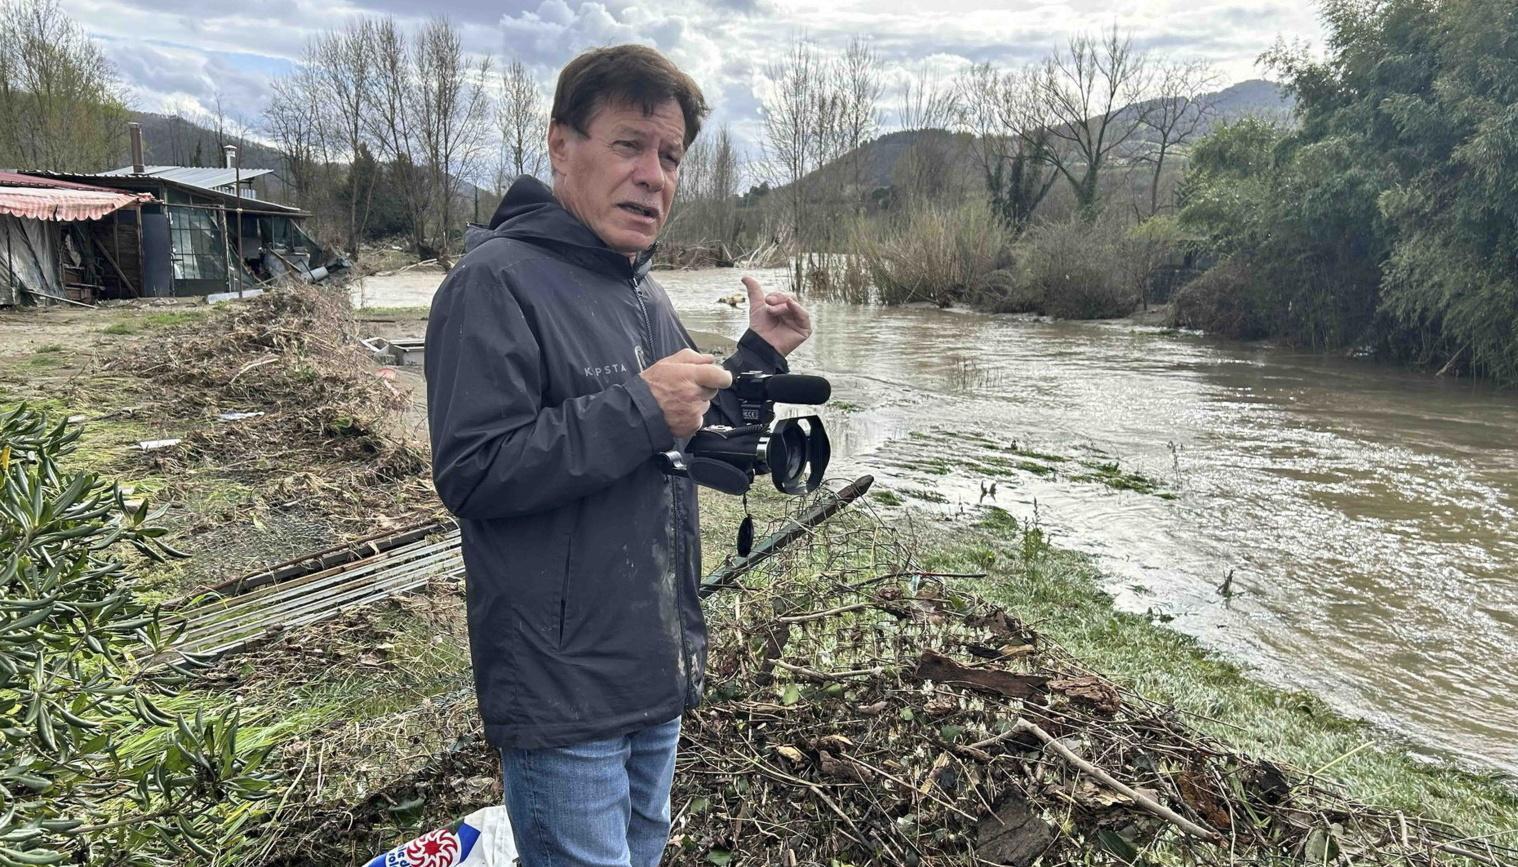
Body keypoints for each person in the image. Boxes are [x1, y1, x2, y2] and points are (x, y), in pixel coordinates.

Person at [423, 45, 812, 866]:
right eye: (629, 145)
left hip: (653, 668)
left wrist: (758, 355)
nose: (653, 175)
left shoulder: (645, 291)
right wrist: (641, 407)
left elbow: (691, 425)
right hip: (563, 693)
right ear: (562, 145)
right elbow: (474, 470)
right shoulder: (493, 283)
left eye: (669, 157)